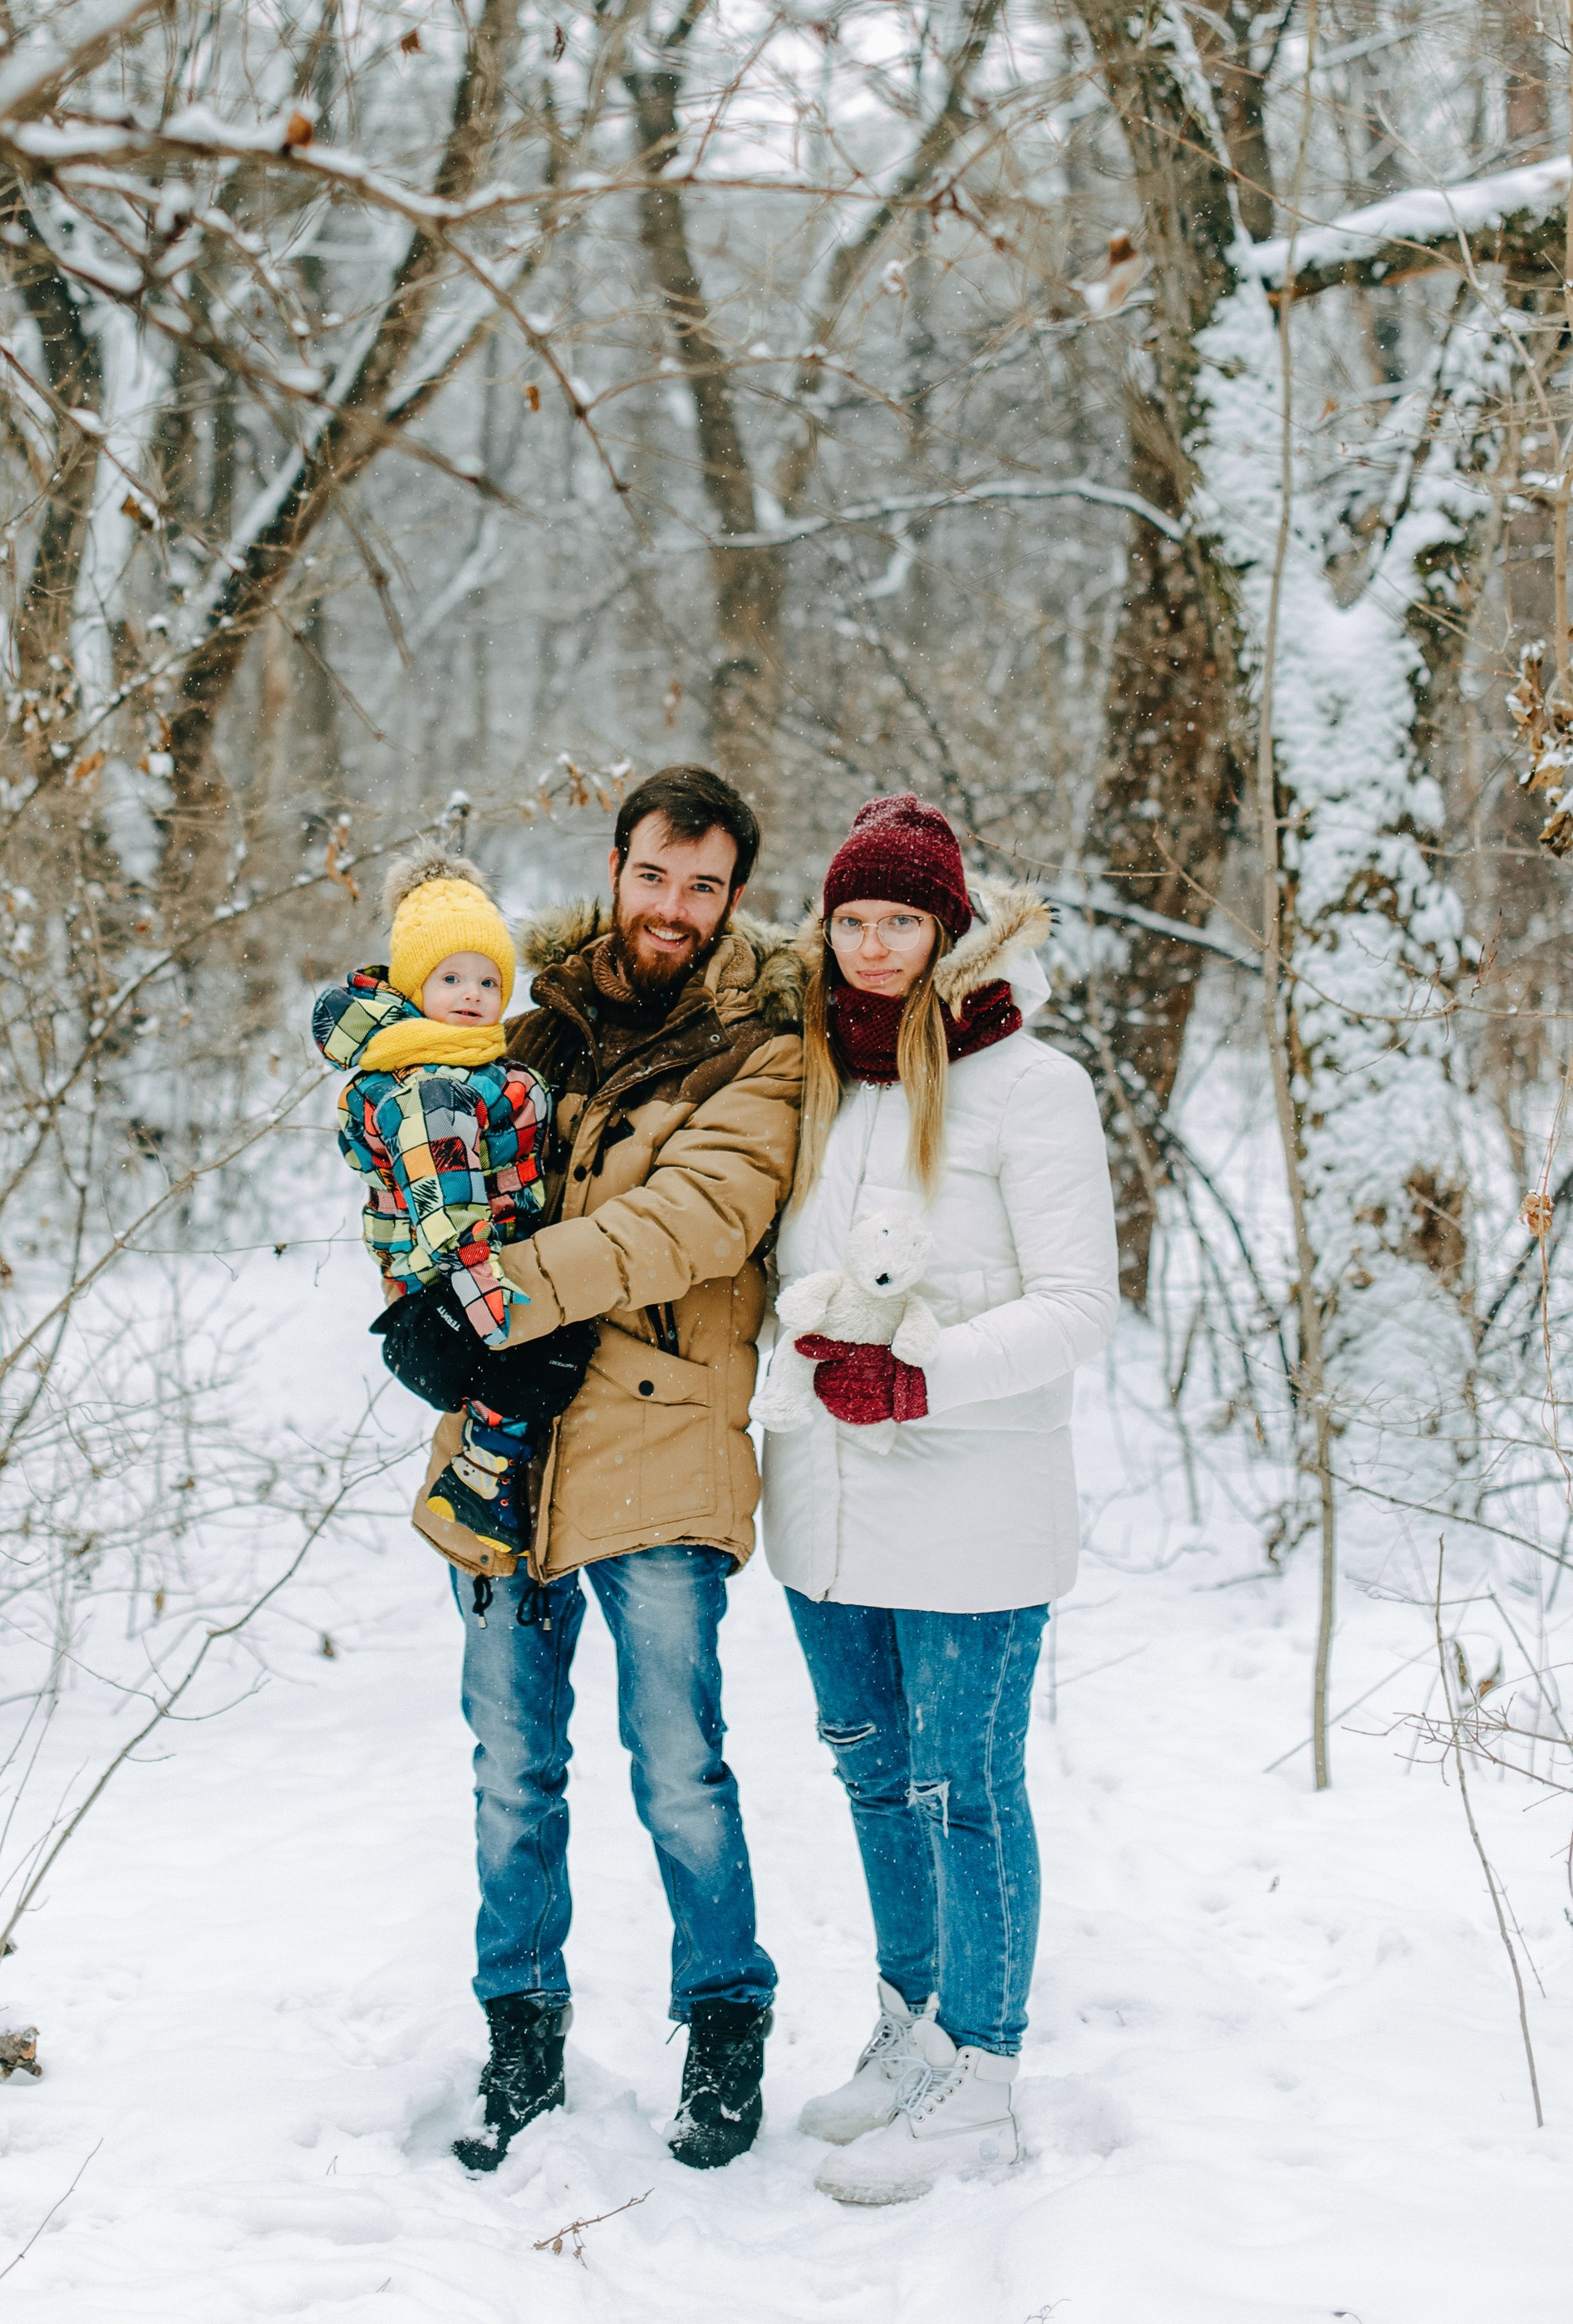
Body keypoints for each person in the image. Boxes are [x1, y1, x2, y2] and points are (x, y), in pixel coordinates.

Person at [412, 766, 802, 2176]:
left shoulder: (768, 1045)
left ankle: (724, 2021)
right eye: (655, 877)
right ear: (618, 867)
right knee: (512, 1769)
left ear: (734, 898)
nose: (674, 909)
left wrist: (497, 1300)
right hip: (510, 1448)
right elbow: (432, 1187)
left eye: (704, 887)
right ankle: (519, 2036)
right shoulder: (530, 1027)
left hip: (662, 1442)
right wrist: (421, 1309)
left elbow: (695, 1218)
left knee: (679, 1764)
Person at [760, 792, 1116, 2207]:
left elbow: (1081, 1304)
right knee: (869, 1772)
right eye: (851, 918)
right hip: (826, 1503)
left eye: (900, 918)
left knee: (964, 1787)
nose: (872, 944)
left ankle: (985, 2072)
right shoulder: (818, 1079)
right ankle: (911, 2030)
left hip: (974, 1493)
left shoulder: (1034, 1087)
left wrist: (927, 1379)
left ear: (949, 927)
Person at [312, 852, 594, 1558]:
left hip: (458, 1271)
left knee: (549, 1350)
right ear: (414, 987)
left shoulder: (465, 1062)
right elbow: (448, 1200)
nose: (472, 993)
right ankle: (478, 1474)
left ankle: (484, 1472)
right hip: (450, 1278)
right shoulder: (434, 1085)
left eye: (488, 980)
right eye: (450, 978)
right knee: (551, 1351)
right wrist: (483, 1293)